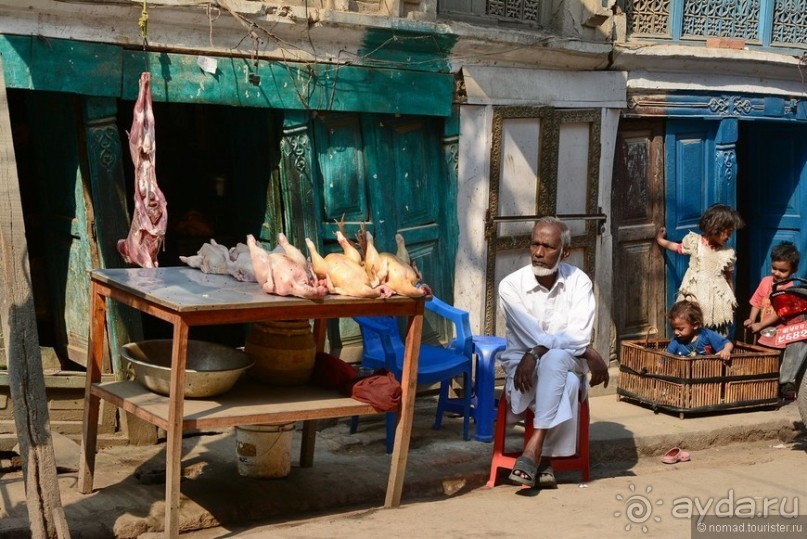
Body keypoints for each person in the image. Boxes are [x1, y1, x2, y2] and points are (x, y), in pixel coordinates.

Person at [497, 216, 609, 489]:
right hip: (525, 370)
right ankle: (545, 459)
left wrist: (537, 350)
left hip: (558, 359)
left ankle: (533, 449)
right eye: (535, 244)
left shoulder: (579, 282)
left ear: (565, 252)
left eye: (547, 247)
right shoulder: (510, 286)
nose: (538, 253)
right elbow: (535, 336)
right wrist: (587, 353)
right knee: (566, 376)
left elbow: (578, 335)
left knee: (557, 358)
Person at [656, 204, 745, 335]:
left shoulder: (727, 253)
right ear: (716, 228)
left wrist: (732, 300)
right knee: (691, 323)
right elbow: (677, 248)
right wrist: (660, 240)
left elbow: (728, 277)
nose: (728, 237)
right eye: (727, 233)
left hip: (716, 297)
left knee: (715, 329)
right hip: (696, 294)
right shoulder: (694, 242)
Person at [743, 241, 800, 348]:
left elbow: (779, 313)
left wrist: (760, 325)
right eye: (774, 268)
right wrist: (751, 319)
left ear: (793, 271)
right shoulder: (765, 281)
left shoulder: (790, 290)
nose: (777, 273)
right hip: (763, 333)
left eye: (782, 271)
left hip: (779, 335)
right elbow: (756, 302)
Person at [666, 300, 733, 360]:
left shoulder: (706, 335)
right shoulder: (676, 342)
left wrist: (726, 350)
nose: (676, 332)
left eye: (680, 329)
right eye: (673, 328)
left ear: (695, 325)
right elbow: (666, 359)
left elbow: (728, 343)